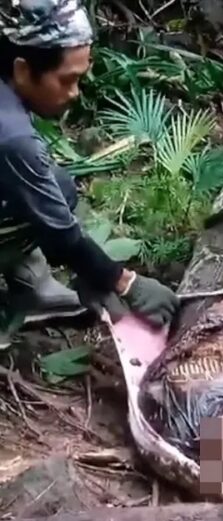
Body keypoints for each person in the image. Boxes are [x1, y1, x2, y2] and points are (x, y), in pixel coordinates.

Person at [0, 0, 179, 341]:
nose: (74, 93)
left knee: (55, 185)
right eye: (67, 80)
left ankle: (30, 280)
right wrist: (124, 282)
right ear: (23, 69)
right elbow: (60, 233)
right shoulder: (11, 136)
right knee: (48, 199)